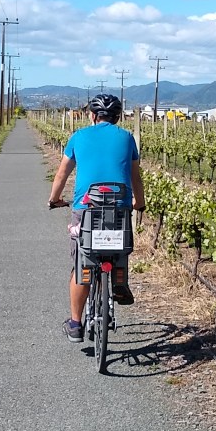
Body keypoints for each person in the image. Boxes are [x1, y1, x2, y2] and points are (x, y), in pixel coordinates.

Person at [47, 93, 145, 340]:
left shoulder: (79, 137)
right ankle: (120, 281)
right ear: (118, 117)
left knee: (82, 262)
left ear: (92, 115)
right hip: (119, 207)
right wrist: (139, 203)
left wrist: (54, 199)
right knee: (119, 248)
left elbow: (61, 174)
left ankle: (75, 324)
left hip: (86, 208)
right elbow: (135, 176)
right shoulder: (127, 138)